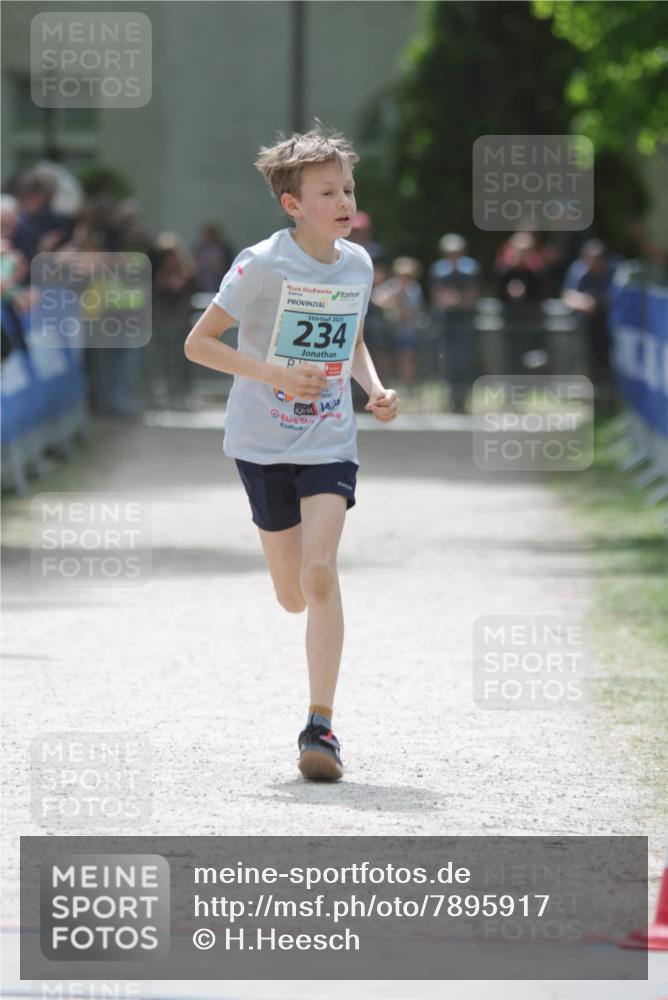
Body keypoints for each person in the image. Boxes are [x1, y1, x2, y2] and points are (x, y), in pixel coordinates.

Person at [184, 124, 399, 782]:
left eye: (348, 189)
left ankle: (321, 726)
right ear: (292, 205)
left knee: (321, 573)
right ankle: (299, 604)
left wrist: (373, 386)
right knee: (290, 594)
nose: (344, 202)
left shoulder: (357, 264)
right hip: (262, 440)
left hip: (329, 436)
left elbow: (352, 338)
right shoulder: (262, 263)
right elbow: (199, 344)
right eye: (328, 191)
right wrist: (276, 375)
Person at [428, 233, 480, 413]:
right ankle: (450, 399)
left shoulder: (471, 269)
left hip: (464, 320)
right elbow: (438, 296)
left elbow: (471, 296)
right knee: (447, 361)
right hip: (446, 321)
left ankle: (463, 400)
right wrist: (451, 301)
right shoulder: (438, 270)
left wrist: (457, 301)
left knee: (464, 360)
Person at [373, 256, 424, 394]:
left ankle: (408, 391)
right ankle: (383, 389)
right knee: (384, 361)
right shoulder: (391, 285)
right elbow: (377, 299)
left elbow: (409, 312)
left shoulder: (414, 289)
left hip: (405, 331)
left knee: (406, 360)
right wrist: (396, 296)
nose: (404, 278)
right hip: (387, 331)